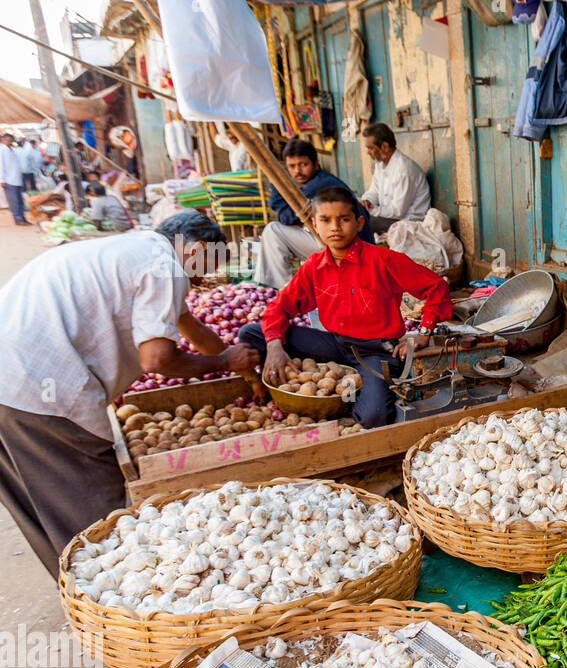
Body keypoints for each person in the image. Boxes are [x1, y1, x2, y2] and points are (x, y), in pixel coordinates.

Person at [0, 211, 260, 576]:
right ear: (197, 250)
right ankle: (113, 599)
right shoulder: (164, 264)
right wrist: (221, 362)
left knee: (39, 501)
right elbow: (157, 358)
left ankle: (80, 593)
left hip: (10, 378)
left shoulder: (136, 249)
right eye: (205, 269)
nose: (203, 281)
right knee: (94, 504)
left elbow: (192, 327)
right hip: (38, 387)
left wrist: (243, 370)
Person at [238, 186, 452, 429]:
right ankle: (297, 387)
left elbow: (436, 287)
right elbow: (280, 306)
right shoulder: (314, 266)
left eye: (344, 219)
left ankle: (346, 401)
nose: (335, 227)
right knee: (251, 334)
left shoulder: (383, 260)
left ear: (359, 223)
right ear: (314, 225)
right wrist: (274, 344)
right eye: (325, 220)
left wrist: (423, 334)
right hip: (334, 347)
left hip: (376, 352)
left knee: (374, 417)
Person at [255, 138, 374, 289]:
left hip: (348, 250)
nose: (297, 171)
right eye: (292, 166)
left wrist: (276, 186)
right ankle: (273, 288)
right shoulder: (315, 181)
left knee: (273, 230)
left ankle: (277, 290)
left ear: (316, 164)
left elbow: (286, 217)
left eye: (303, 165)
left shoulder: (318, 184)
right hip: (340, 244)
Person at [359, 122, 431, 234]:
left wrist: (372, 210)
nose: (368, 153)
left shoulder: (403, 169)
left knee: (358, 223)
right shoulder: (380, 164)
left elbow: (398, 211)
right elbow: (374, 190)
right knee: (355, 216)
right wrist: (367, 200)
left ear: (385, 147)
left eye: (370, 148)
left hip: (406, 221)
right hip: (388, 217)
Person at [1, 132, 29, 226]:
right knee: (14, 201)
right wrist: (2, 180)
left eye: (11, 140)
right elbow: (1, 166)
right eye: (8, 140)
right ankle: (18, 219)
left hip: (16, 179)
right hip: (9, 180)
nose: (10, 142)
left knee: (20, 200)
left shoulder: (12, 150)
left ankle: (22, 218)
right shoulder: (1, 150)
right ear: (3, 140)